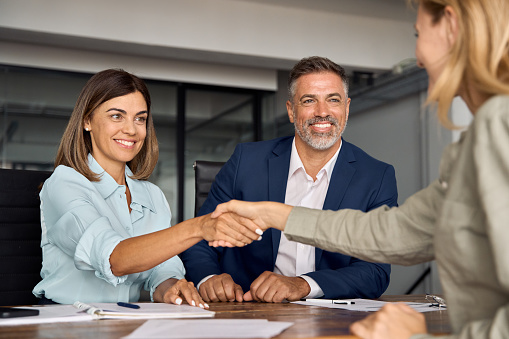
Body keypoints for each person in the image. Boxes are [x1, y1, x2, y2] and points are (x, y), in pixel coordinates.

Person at [210, 0, 509, 338]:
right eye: (309, 100)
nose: (418, 55)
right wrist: (275, 215)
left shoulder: (500, 126)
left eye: (417, 34)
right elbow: (397, 233)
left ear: (451, 26)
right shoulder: (479, 139)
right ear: (291, 110)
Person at [33, 69, 259, 306]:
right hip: (68, 321)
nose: (131, 129)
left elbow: (162, 268)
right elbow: (114, 258)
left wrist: (171, 287)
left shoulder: (152, 195)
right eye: (116, 116)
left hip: (126, 320)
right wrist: (199, 227)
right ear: (87, 121)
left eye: (140, 118)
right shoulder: (64, 183)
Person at [181, 56, 398, 303]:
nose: (322, 112)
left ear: (346, 108)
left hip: (330, 319)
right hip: (246, 311)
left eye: (333, 100)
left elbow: (375, 270)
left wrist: (304, 285)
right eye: (309, 101)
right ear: (291, 111)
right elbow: (199, 235)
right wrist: (209, 277)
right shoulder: (246, 161)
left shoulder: (377, 176)